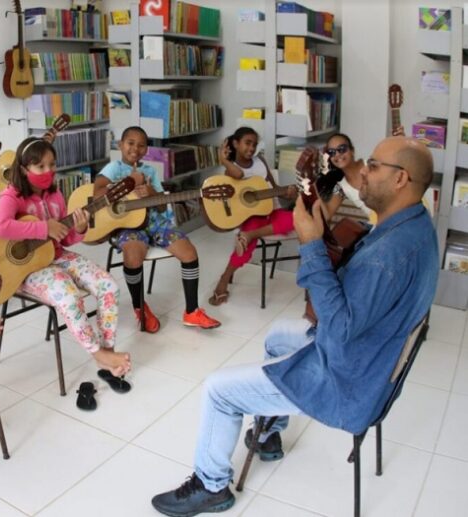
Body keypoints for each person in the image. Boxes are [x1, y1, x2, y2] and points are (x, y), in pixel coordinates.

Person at [151, 136, 439, 515]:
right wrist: (320, 231)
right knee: (277, 336)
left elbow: (336, 326)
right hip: (370, 360)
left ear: (401, 178)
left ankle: (211, 485)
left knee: (218, 390)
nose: (362, 173)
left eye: (372, 165)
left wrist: (310, 244)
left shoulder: (387, 257)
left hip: (348, 381)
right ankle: (269, 435)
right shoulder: (416, 227)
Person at [0, 136, 131, 377]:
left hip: (57, 255)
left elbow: (64, 239)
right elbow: (1, 227)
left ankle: (108, 351)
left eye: (52, 164)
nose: (49, 171)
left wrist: (79, 229)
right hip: (27, 269)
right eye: (41, 166)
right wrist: (44, 228)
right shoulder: (11, 195)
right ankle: (97, 353)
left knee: (109, 286)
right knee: (70, 297)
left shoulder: (55, 195)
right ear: (25, 169)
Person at [93, 126, 221, 333]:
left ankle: (191, 311)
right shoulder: (113, 169)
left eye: (141, 145)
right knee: (133, 256)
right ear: (120, 145)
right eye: (130, 143)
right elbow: (97, 194)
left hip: (155, 224)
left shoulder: (150, 171)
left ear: (146, 150)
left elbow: (162, 206)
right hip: (125, 226)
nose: (135, 148)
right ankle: (139, 307)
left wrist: (152, 193)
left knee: (189, 252)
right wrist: (128, 184)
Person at [209, 127, 297, 306]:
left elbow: (274, 187)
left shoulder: (261, 161)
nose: (251, 148)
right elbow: (238, 175)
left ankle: (250, 235)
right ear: (235, 143)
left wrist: (286, 193)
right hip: (250, 216)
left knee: (295, 219)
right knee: (246, 249)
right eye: (247, 143)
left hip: (272, 211)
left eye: (254, 144)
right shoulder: (231, 169)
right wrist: (224, 160)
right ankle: (223, 280)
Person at [318, 133, 374, 221]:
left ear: (352, 151)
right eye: (331, 152)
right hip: (381, 227)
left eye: (342, 149)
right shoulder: (341, 188)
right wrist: (310, 184)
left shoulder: (372, 165)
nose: (337, 154)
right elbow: (327, 215)